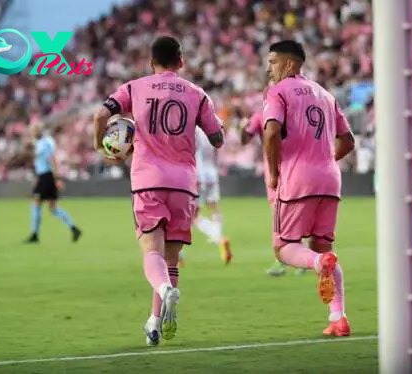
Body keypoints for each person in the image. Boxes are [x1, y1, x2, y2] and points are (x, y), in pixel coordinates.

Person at [92, 36, 225, 346]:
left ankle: (166, 291)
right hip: (183, 183)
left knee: (152, 252)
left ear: (151, 63)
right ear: (181, 62)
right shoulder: (197, 94)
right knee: (171, 259)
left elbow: (101, 115)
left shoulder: (134, 87)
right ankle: (155, 322)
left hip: (148, 179)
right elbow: (217, 138)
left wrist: (103, 146)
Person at [262, 40, 355, 336]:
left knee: (283, 247)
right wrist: (325, 158)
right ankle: (338, 318)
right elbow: (349, 140)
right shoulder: (326, 95)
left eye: (273, 62)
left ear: (291, 64)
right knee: (325, 246)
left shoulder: (278, 92)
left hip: (297, 179)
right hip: (330, 179)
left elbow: (272, 132)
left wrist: (275, 172)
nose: (269, 68)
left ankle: (316, 263)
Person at [241, 106, 306, 277]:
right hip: (291, 167)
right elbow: (246, 138)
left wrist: (243, 128)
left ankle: (286, 259)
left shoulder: (263, 114)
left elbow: (245, 138)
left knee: (282, 214)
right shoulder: (290, 110)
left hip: (280, 169)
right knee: (289, 213)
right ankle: (299, 256)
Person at [16, 124, 82, 244]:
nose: (33, 133)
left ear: (39, 131)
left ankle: (35, 235)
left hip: (46, 177)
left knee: (36, 204)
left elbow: (52, 160)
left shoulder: (44, 144)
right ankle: (74, 228)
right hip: (44, 177)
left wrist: (57, 178)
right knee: (53, 208)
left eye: (35, 130)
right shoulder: (40, 143)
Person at [180, 128, 232, 266]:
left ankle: (217, 236)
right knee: (213, 205)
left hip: (195, 173)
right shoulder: (210, 126)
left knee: (189, 215)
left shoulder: (192, 127)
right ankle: (218, 234)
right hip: (210, 172)